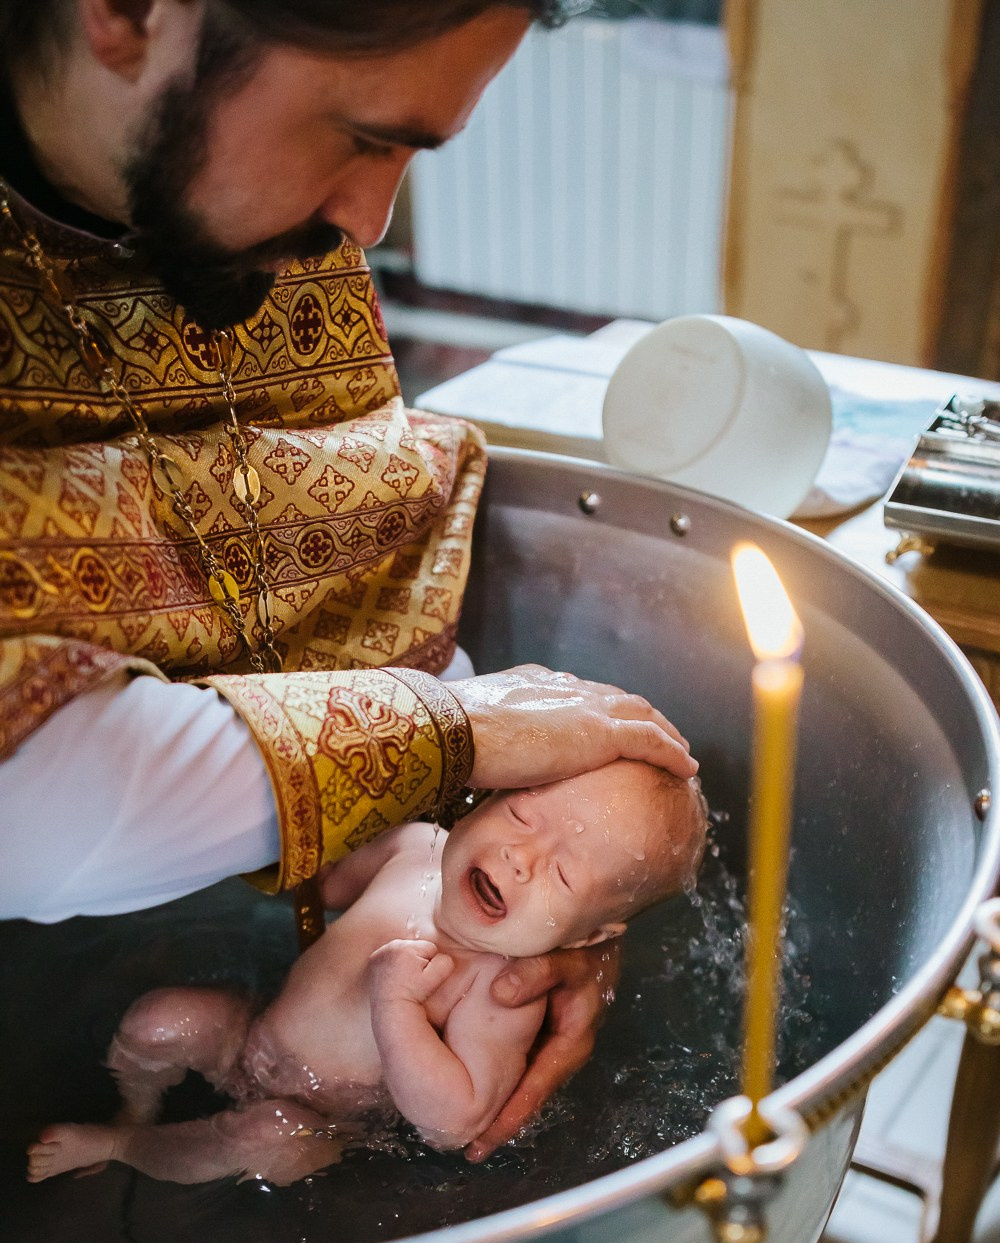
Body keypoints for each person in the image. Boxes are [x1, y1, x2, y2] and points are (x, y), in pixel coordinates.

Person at [0, 1, 697, 1157]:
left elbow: (349, 583)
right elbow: (31, 818)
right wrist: (457, 739)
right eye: (366, 135)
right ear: (125, 14)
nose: (368, 223)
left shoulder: (257, 237)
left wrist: (562, 894)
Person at [27, 758, 707, 1186]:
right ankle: (136, 1099)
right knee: (158, 1019)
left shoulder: (500, 987)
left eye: (562, 872)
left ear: (592, 936)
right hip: (253, 1034)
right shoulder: (417, 849)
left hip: (324, 1116)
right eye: (522, 815)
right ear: (488, 795)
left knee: (267, 1136)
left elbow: (454, 1122)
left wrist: (398, 1007)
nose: (521, 857)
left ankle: (126, 1144)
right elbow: (321, 884)